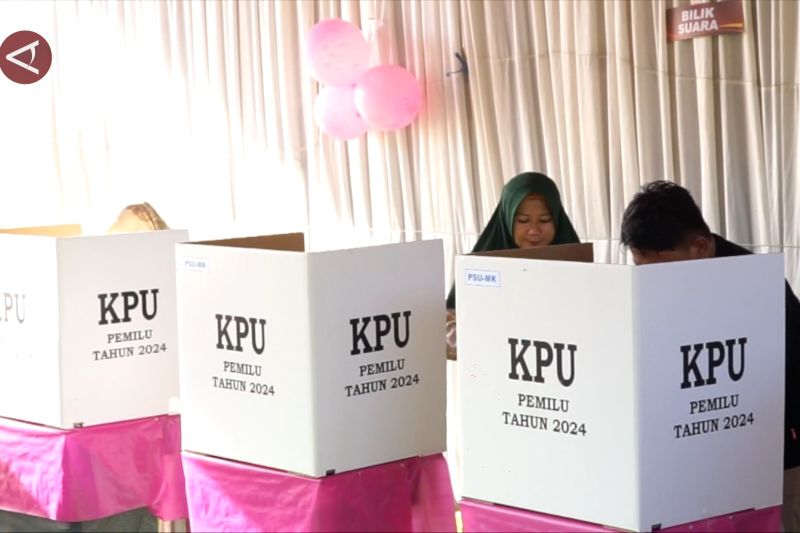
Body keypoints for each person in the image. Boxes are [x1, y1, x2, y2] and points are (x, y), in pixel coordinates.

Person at [620, 180, 800, 530]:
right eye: (639, 269)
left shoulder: (761, 288)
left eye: (657, 271)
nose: (648, 284)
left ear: (700, 247)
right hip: (698, 461)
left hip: (775, 455)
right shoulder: (667, 285)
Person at [445, 172, 580, 359]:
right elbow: (448, 334)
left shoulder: (578, 265)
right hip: (498, 367)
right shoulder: (481, 267)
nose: (534, 230)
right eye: (523, 220)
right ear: (507, 218)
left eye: (544, 220)